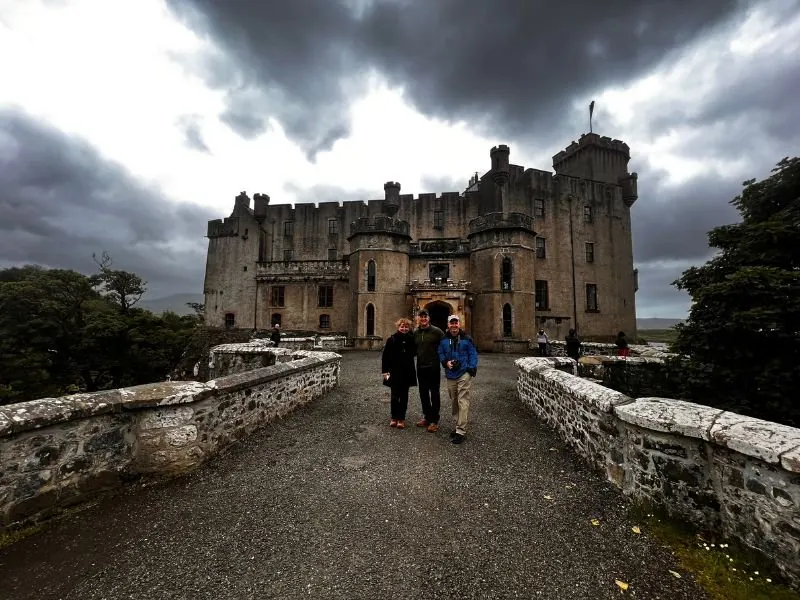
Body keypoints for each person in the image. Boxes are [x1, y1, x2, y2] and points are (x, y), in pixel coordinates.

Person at [437, 315, 478, 445]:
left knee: (462, 400)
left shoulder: (467, 338)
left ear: (459, 324)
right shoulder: (443, 339)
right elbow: (440, 352)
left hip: (464, 373)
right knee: (454, 400)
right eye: (451, 323)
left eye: (456, 323)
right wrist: (445, 362)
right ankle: (457, 424)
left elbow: (473, 354)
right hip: (451, 373)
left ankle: (461, 430)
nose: (454, 326)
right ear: (448, 325)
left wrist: (471, 368)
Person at [381, 318, 418, 429]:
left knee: (404, 396)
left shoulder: (411, 339)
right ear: (398, 327)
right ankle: (394, 417)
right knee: (394, 396)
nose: (404, 328)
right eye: (402, 326)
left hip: (407, 372)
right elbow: (385, 357)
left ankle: (401, 418)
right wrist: (385, 372)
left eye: (406, 327)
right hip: (393, 372)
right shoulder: (391, 339)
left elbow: (415, 352)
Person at [413, 309, 445, 433]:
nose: (423, 319)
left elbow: (445, 345)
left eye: (425, 317)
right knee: (423, 393)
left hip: (433, 367)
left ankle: (434, 421)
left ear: (428, 318)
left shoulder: (437, 332)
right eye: (421, 317)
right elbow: (412, 349)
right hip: (421, 367)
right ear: (418, 319)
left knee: (434, 393)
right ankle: (427, 417)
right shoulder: (415, 332)